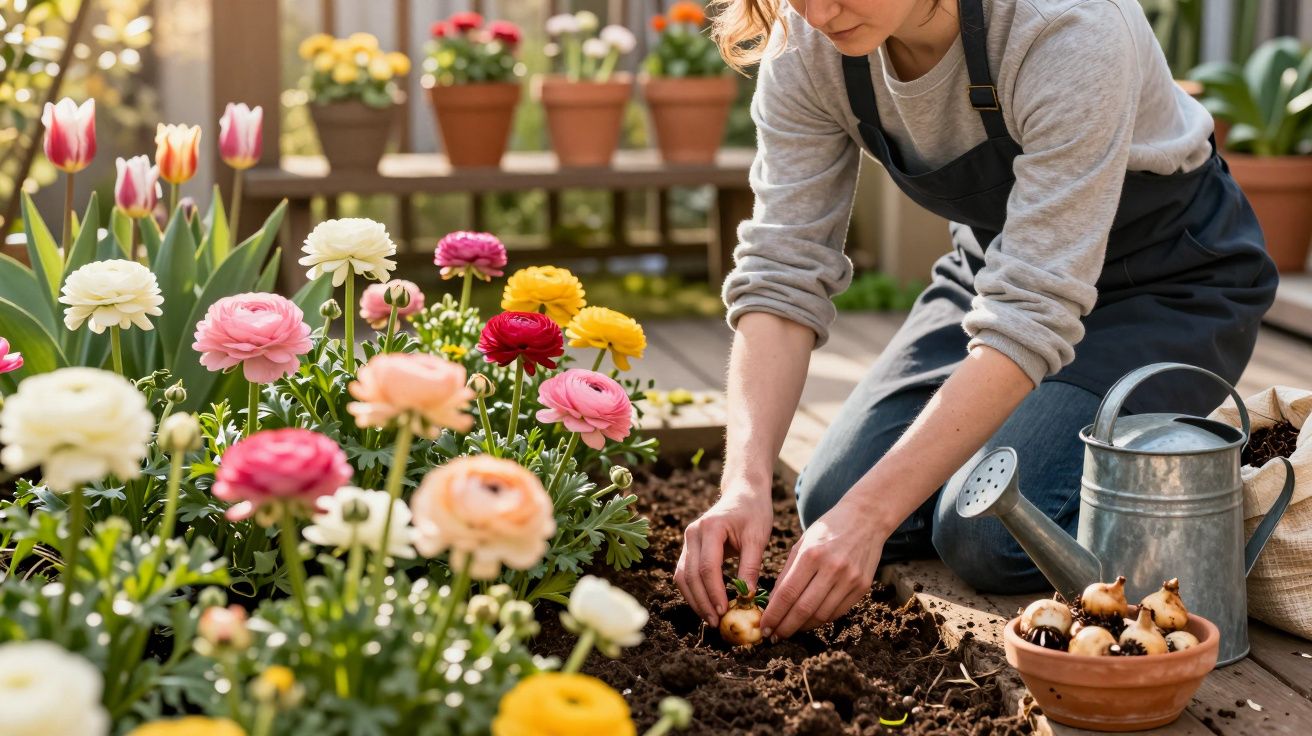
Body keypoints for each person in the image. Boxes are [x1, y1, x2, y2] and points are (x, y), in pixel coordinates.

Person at [673, 0, 1278, 642]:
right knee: (830, 500)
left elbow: (1032, 313)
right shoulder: (806, 43)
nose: (819, 12)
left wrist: (874, 513)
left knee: (987, 534)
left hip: (1164, 285)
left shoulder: (1066, 24)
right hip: (999, 269)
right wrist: (743, 481)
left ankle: (1188, 496)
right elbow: (782, 269)